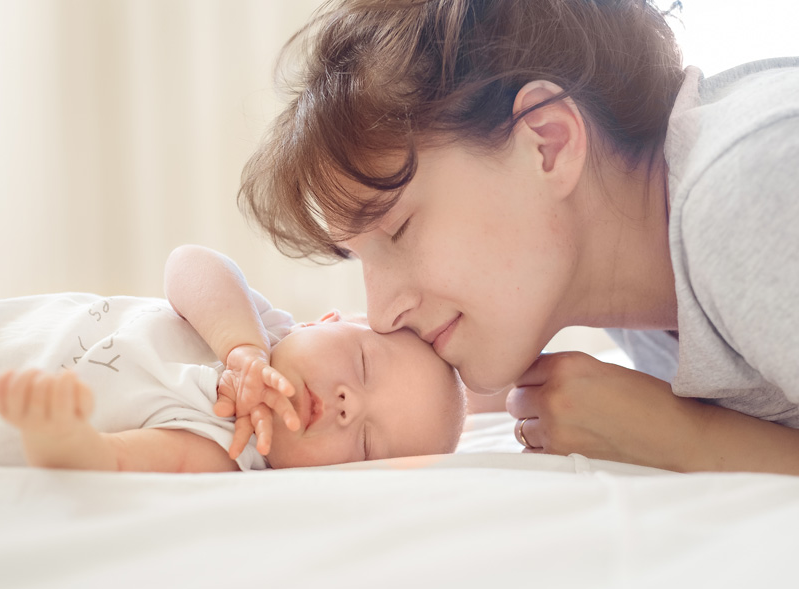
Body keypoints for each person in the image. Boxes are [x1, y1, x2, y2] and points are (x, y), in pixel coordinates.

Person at [237, 0, 799, 474]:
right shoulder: (638, 284)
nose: (382, 314)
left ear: (547, 144)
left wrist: (683, 438)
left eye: (400, 229)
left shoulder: (753, 184)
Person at [0, 245, 465, 472]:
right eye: (364, 365)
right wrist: (242, 349)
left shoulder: (229, 452)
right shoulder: (261, 325)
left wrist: (58, 434)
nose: (350, 405)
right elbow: (188, 264)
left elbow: (112, 461)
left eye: (367, 445)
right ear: (324, 321)